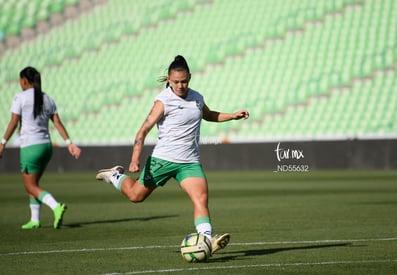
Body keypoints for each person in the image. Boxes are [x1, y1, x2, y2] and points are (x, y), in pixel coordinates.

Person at [96, 55, 249, 254]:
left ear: (190, 78)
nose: (180, 85)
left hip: (189, 162)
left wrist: (232, 115)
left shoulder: (197, 97)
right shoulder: (163, 101)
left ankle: (207, 239)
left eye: (184, 81)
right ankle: (115, 175)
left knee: (201, 198)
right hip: (163, 160)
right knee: (135, 196)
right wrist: (134, 159)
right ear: (169, 79)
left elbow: (209, 115)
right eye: (176, 81)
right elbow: (143, 130)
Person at [0, 66, 81, 229]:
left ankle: (56, 206)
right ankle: (35, 219)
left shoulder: (20, 97)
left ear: (24, 81)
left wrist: (2, 142)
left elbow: (13, 122)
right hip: (46, 147)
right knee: (34, 183)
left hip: (30, 147)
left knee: (29, 185)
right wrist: (69, 143)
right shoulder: (48, 98)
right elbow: (57, 122)